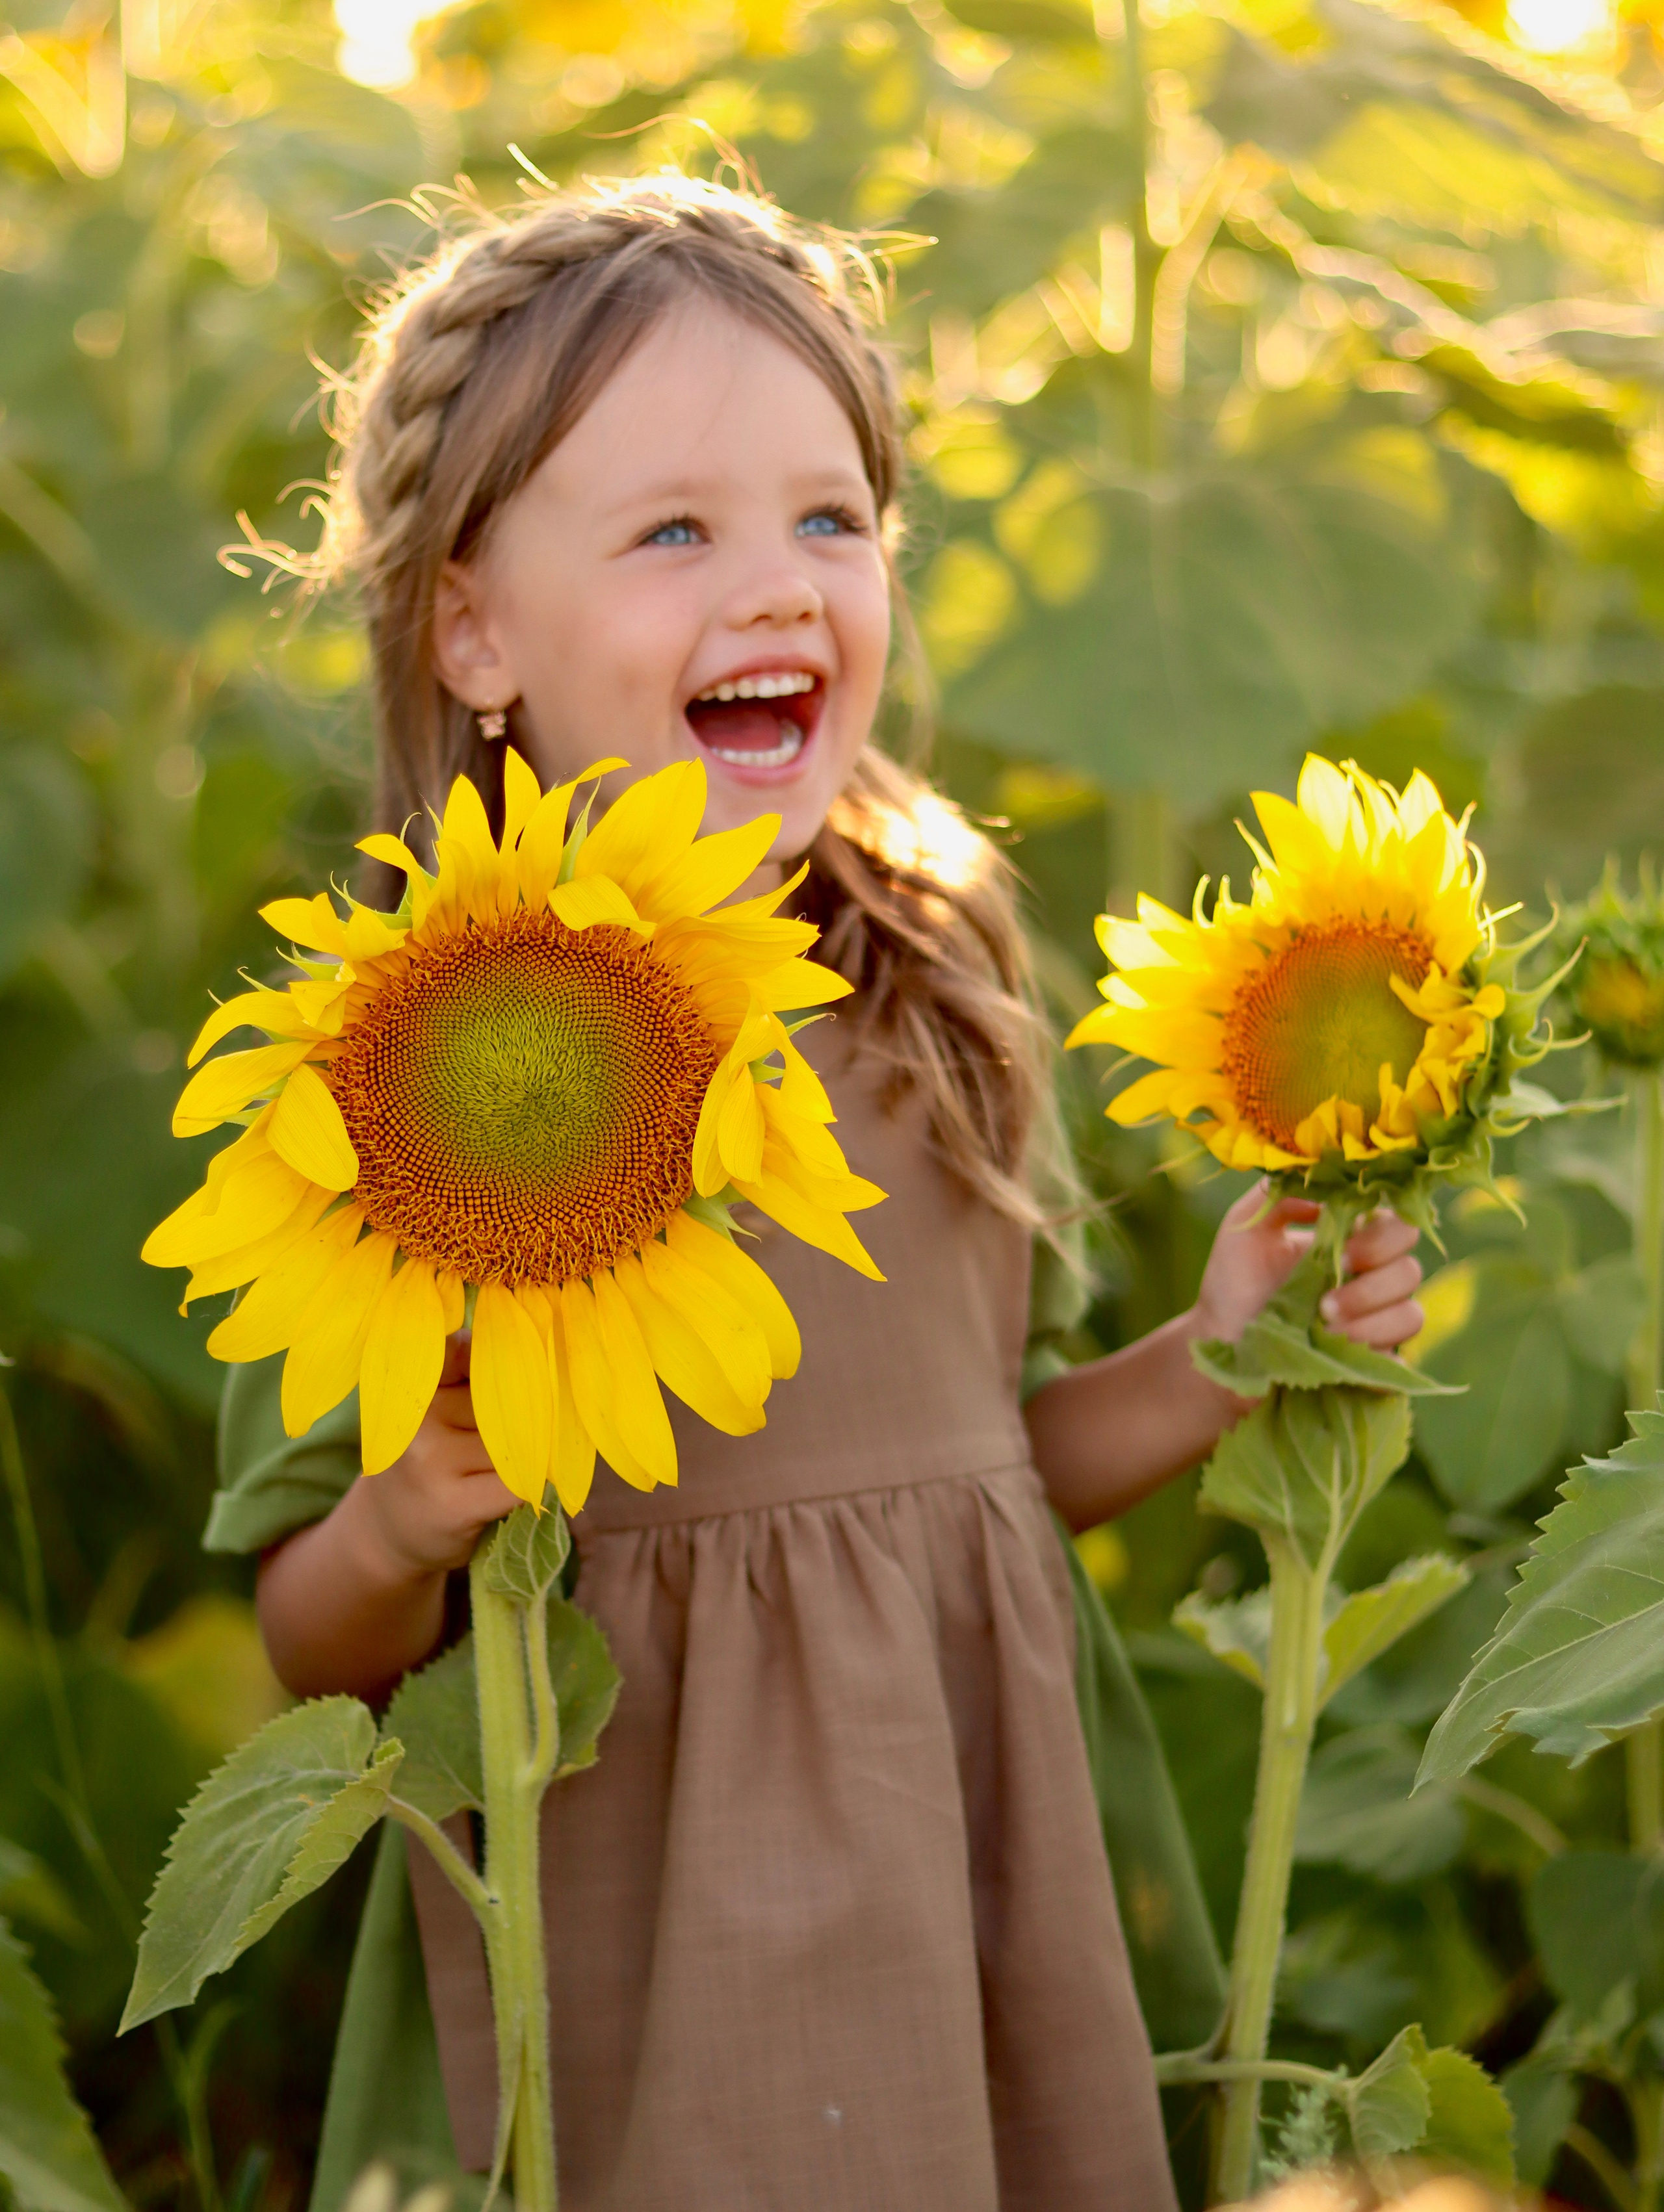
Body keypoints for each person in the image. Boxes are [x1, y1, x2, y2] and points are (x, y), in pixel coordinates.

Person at [209, 173, 1426, 2212]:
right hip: (639, 1925)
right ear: (473, 624)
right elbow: (312, 1641)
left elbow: (983, 1471)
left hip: (955, 1889)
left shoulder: (938, 979)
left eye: (829, 518)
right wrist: (403, 1520)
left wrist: (1213, 1355)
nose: (776, 585)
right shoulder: (397, 1074)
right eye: (675, 528)